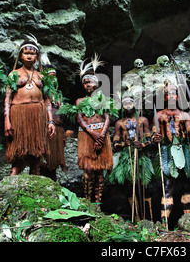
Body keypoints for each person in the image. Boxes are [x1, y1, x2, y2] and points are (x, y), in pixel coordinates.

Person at [152, 80, 190, 226]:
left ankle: (188, 220)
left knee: (187, 186)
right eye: (169, 94)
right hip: (168, 151)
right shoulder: (160, 115)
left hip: (183, 150)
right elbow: (155, 133)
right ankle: (164, 223)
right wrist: (156, 137)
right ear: (165, 97)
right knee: (168, 186)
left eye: (175, 94)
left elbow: (189, 130)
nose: (173, 97)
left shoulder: (185, 114)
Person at [4, 36, 55, 176]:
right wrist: (7, 121)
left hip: (38, 116)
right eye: (26, 53)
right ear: (21, 55)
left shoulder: (42, 77)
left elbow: (47, 101)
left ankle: (35, 190)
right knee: (18, 157)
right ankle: (11, 189)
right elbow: (7, 99)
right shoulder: (14, 74)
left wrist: (50, 120)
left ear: (36, 56)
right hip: (19, 114)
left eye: (32, 53)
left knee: (36, 157)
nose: (29, 56)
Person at [75, 55, 114, 211]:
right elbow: (79, 119)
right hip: (87, 136)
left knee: (99, 171)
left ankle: (97, 204)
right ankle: (87, 201)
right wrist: (93, 134)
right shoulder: (80, 101)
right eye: (85, 82)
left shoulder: (103, 99)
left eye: (90, 81)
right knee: (89, 169)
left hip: (101, 135)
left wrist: (102, 134)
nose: (87, 84)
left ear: (97, 83)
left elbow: (107, 118)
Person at [109, 91, 152, 220]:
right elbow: (115, 142)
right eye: (125, 103)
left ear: (134, 105)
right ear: (122, 106)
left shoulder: (143, 120)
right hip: (126, 156)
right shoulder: (119, 123)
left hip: (140, 156)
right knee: (129, 186)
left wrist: (142, 145)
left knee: (143, 184)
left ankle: (146, 216)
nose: (128, 106)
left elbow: (150, 139)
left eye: (130, 103)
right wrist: (123, 144)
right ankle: (136, 217)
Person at [40, 67, 67, 181]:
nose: (53, 79)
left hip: (58, 129)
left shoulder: (58, 95)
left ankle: (53, 182)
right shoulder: (41, 93)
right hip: (46, 128)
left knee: (55, 159)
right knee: (44, 157)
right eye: (50, 76)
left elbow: (62, 116)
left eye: (54, 76)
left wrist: (64, 133)